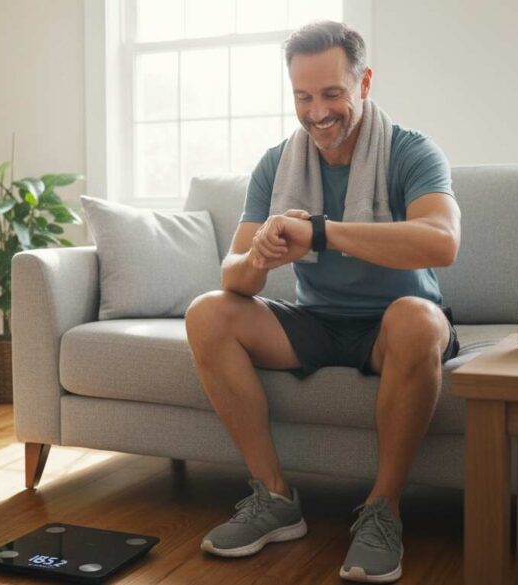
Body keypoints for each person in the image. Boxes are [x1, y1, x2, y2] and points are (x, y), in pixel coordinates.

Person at [185, 21, 461, 583]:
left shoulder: (410, 151)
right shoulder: (275, 164)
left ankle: (382, 512)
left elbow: (442, 241)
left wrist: (324, 232)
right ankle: (275, 499)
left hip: (393, 326)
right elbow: (233, 275)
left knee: (417, 320)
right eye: (303, 97)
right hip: (315, 321)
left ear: (364, 83)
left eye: (332, 93)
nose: (317, 113)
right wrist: (260, 257)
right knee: (207, 311)